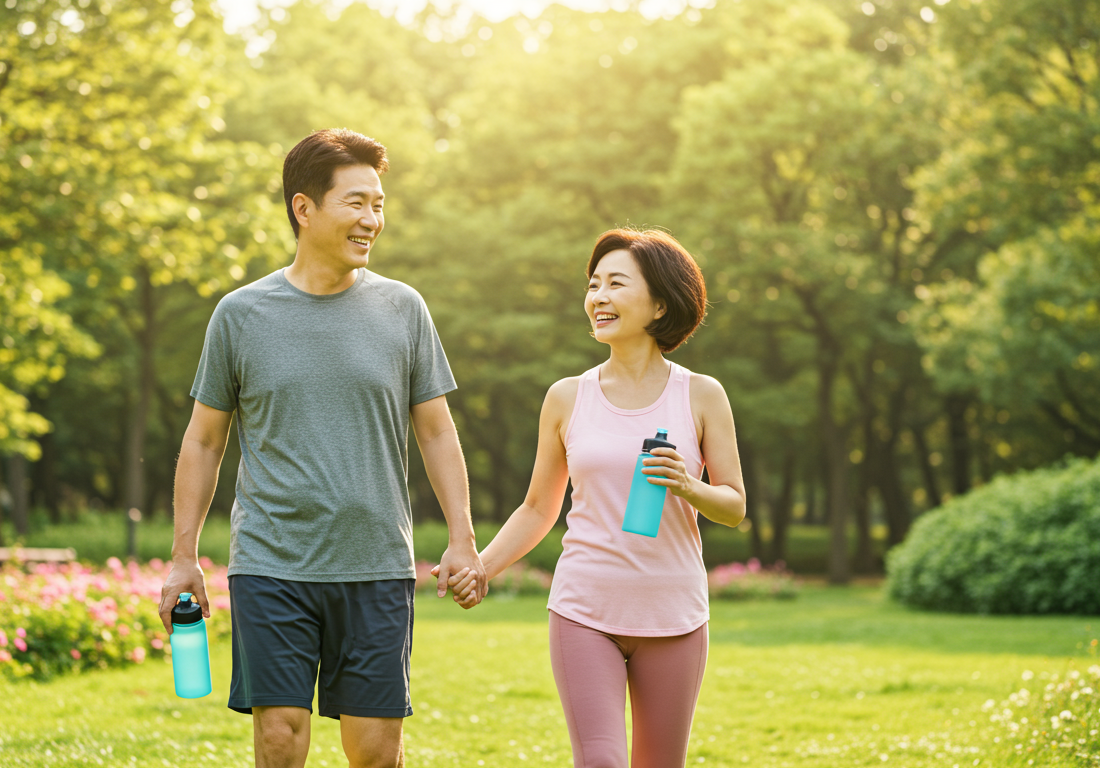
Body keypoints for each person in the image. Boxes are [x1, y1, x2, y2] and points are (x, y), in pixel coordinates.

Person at [158, 128, 486, 768]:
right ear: (304, 209)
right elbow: (203, 440)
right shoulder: (240, 314)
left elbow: (437, 430)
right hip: (271, 560)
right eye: (357, 203)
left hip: (376, 562)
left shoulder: (403, 309)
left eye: (380, 204)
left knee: (374, 752)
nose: (373, 220)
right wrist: (182, 557)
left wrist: (462, 537)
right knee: (279, 738)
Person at [455, 228, 746, 768]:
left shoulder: (702, 394)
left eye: (616, 283)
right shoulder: (567, 397)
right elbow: (539, 507)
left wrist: (688, 484)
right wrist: (483, 566)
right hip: (585, 608)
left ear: (660, 303)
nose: (598, 297)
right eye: (594, 285)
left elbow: (733, 504)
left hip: (674, 614)